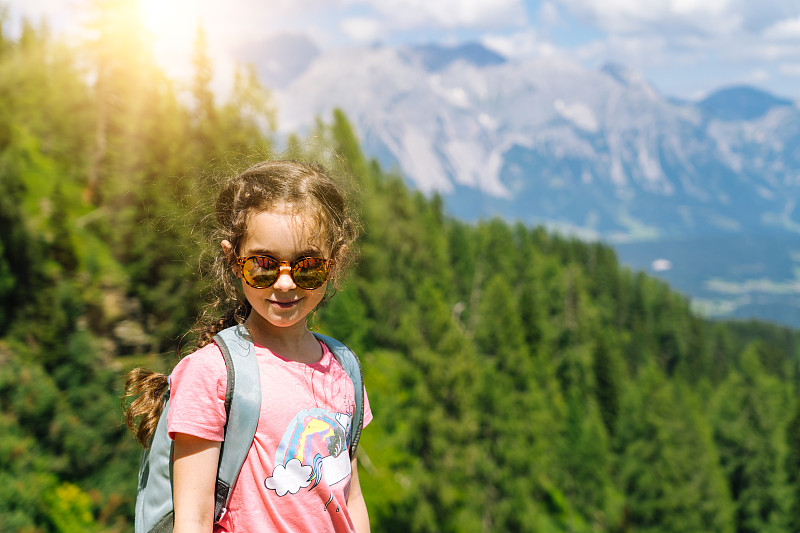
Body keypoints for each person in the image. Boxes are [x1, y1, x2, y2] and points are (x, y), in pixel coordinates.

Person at [124, 160, 371, 532]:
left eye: (307, 267)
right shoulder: (211, 374)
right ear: (232, 259)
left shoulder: (344, 369)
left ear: (332, 265)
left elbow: (350, 499)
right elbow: (193, 519)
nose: (285, 283)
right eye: (263, 265)